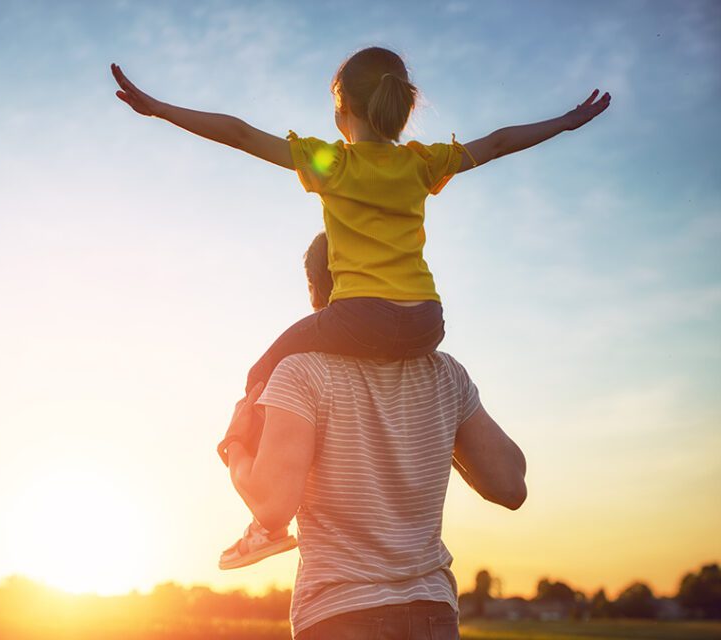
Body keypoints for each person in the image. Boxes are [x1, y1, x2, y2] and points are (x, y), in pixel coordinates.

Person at [111, 46, 607, 566]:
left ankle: (265, 524)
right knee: (334, 359)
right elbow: (501, 141)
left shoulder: (333, 162)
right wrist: (568, 122)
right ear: (400, 106)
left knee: (263, 370)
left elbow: (238, 133)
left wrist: (163, 109)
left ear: (342, 109)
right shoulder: (422, 162)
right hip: (424, 322)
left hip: (359, 317)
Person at [223, 231, 527, 639]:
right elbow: (510, 484)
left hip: (340, 615)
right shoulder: (444, 374)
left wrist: (236, 447)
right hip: (433, 616)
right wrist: (438, 425)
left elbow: (273, 507)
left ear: (316, 290)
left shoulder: (300, 372)